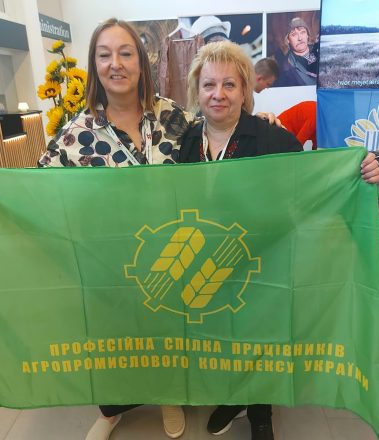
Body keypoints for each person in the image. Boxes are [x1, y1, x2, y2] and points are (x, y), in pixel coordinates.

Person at [37, 18, 281, 440]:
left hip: (173, 254)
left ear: (141, 62)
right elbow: (37, 190)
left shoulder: (171, 116)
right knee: (116, 337)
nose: (116, 64)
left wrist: (261, 123)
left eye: (125, 53)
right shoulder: (76, 134)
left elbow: (216, 132)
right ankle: (111, 411)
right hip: (113, 261)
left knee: (167, 335)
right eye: (104, 55)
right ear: (94, 65)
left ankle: (169, 395)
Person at [179, 40, 379, 440]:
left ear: (245, 90)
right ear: (196, 91)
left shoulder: (269, 136)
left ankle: (261, 412)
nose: (218, 94)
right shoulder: (184, 141)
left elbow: (316, 174)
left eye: (230, 84)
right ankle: (233, 398)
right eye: (209, 85)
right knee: (221, 340)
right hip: (205, 263)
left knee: (259, 340)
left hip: (262, 264)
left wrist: (361, 169)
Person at [273, 18, 318, 88]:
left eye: (302, 32)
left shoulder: (320, 52)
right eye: (294, 34)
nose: (300, 38)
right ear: (288, 40)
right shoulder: (285, 70)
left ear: (307, 35)